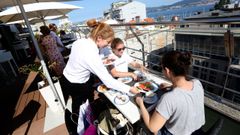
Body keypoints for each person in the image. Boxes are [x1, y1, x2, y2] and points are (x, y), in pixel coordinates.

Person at [60, 19, 139, 134]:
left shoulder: (80, 41)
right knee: (82, 111)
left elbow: (82, 62)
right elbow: (108, 81)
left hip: (66, 78)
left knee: (78, 107)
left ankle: (81, 124)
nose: (108, 44)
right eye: (108, 41)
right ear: (99, 38)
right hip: (78, 84)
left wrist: (102, 62)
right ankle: (81, 130)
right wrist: (130, 89)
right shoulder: (91, 54)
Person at [135, 51, 205, 135]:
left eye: (162, 68)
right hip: (198, 131)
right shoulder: (197, 83)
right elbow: (185, 89)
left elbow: (152, 127)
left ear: (167, 70)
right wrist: (171, 86)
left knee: (148, 122)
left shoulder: (169, 98)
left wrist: (140, 103)